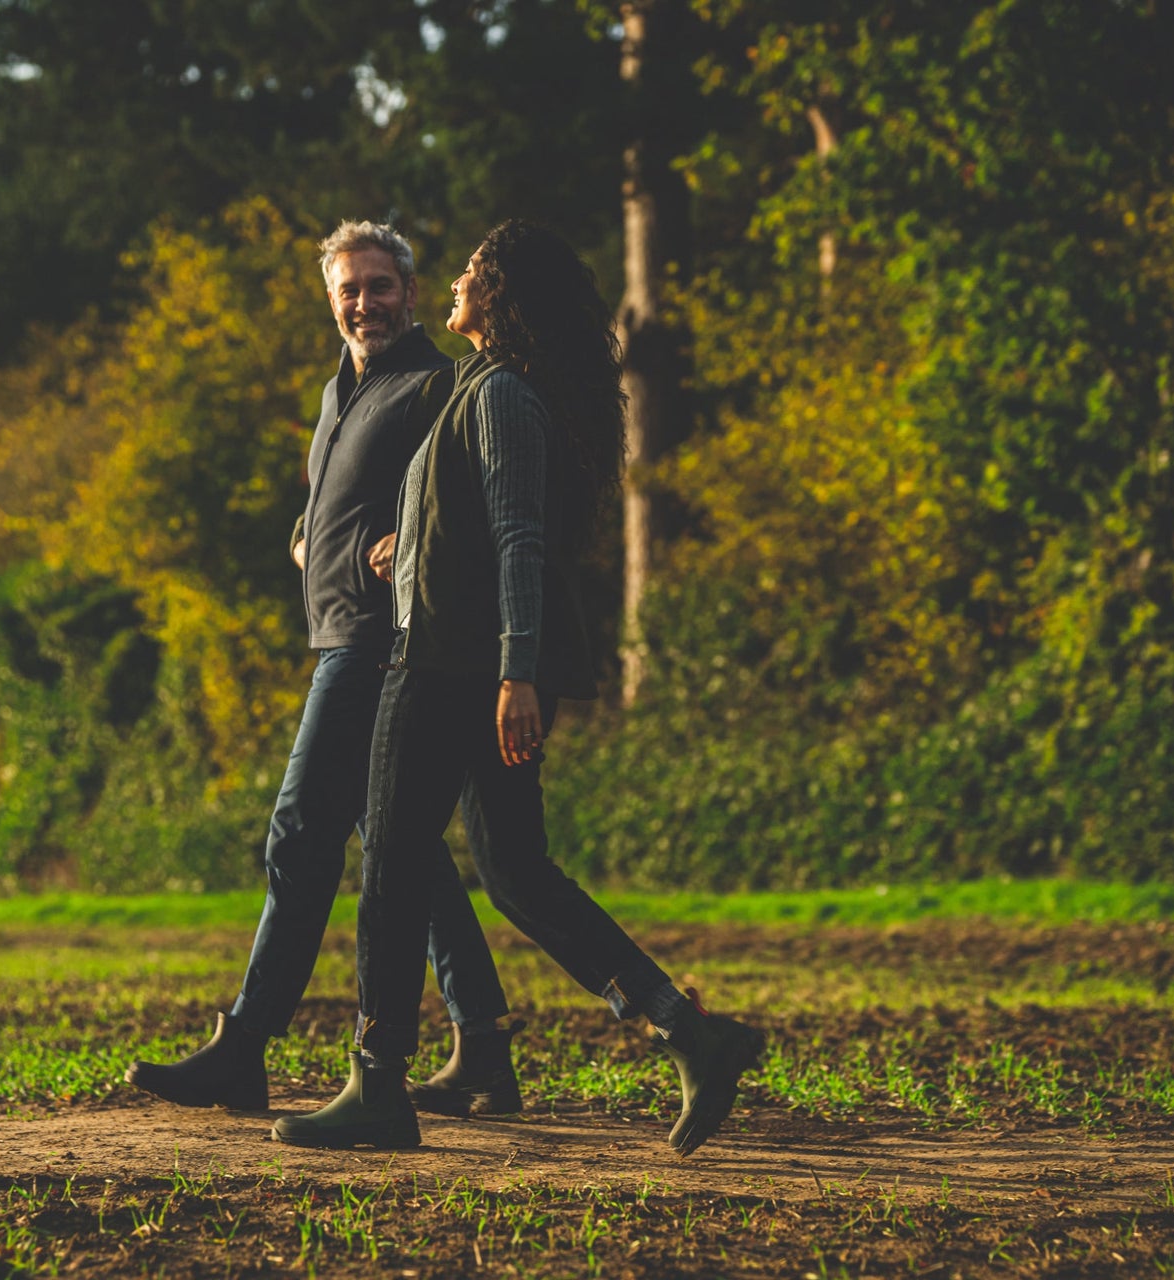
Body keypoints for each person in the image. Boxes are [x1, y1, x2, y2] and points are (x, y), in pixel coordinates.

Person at [270, 220, 764, 1156]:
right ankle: (688, 1029)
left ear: (496, 296)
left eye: (469, 272)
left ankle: (378, 1088)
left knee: (392, 870)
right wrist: (397, 548)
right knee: (515, 872)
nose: (454, 279)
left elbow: (520, 543)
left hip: (448, 670)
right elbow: (463, 525)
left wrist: (517, 674)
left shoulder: (497, 395)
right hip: (467, 664)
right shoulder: (481, 389)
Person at [126, 221, 524, 1117]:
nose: (364, 303)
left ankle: (245, 1044)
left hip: (384, 644)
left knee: (302, 830)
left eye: (380, 286)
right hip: (337, 628)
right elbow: (333, 497)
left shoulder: (433, 384)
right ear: (330, 298)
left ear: (411, 293)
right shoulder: (337, 390)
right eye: (349, 289)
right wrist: (310, 534)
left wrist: (407, 543)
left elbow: (459, 501)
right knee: (400, 844)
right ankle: (484, 1042)